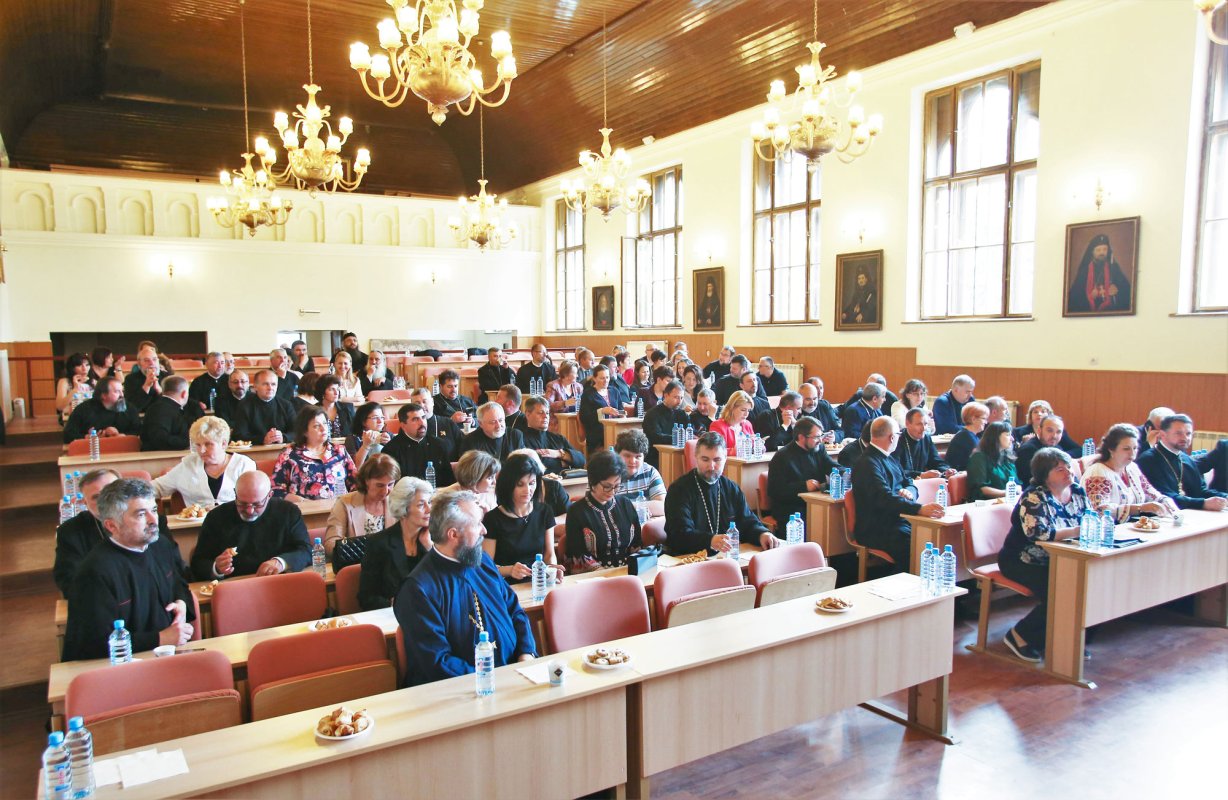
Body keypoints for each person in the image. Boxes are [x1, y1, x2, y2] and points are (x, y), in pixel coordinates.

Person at [394, 488, 537, 686]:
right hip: (461, 694)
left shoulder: (482, 561)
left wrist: (526, 654)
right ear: (453, 534)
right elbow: (437, 663)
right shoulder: (418, 590)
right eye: (478, 524)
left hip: (515, 677)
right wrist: (493, 680)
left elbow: (515, 610)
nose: (484, 531)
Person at [61, 478, 195, 661]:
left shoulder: (161, 546)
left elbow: (180, 583)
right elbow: (92, 642)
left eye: (154, 510)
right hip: (116, 669)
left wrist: (181, 603)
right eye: (141, 514)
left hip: (166, 655)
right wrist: (160, 638)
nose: (153, 520)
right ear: (111, 525)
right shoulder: (95, 571)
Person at [997, 448, 1091, 662]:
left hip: (1064, 557)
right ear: (1044, 475)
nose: (1068, 472)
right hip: (1023, 559)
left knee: (1084, 585)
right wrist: (1077, 531)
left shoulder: (1077, 491)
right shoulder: (1034, 497)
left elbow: (1090, 519)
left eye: (1068, 467)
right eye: (1060, 469)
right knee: (1062, 589)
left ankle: (1066, 638)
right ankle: (1020, 635)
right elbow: (1038, 533)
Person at [54, 470, 188, 597]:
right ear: (85, 503)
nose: (105, 501)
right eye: (96, 497)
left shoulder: (152, 522)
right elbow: (69, 582)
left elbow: (176, 569)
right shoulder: (70, 531)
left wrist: (180, 602)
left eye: (112, 493)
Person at [851, 417, 945, 569]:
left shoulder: (890, 458)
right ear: (892, 437)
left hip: (898, 519)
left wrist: (909, 492)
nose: (900, 437)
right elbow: (883, 498)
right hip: (878, 526)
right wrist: (919, 509)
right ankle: (909, 585)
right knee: (916, 547)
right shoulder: (867, 463)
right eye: (899, 433)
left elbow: (909, 482)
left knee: (930, 537)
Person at [663, 432, 779, 555]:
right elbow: (680, 534)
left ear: (725, 459)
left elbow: (748, 521)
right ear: (696, 457)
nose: (711, 466)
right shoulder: (679, 489)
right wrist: (710, 540)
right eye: (705, 459)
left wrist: (762, 534)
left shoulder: (731, 488)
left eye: (717, 460)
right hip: (687, 559)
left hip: (725, 557)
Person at [191, 471, 313, 579]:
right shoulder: (216, 517)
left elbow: (305, 550)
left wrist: (281, 562)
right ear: (235, 493)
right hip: (234, 587)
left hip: (277, 583)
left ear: (269, 495)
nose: (249, 510)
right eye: (242, 504)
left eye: (257, 504)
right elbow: (198, 562)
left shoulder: (288, 512)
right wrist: (216, 568)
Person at [481, 453, 563, 583]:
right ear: (508, 485)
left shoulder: (544, 511)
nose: (528, 490)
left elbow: (549, 554)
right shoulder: (493, 519)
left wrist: (552, 568)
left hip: (538, 581)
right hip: (506, 584)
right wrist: (509, 570)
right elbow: (486, 567)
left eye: (532, 483)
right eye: (520, 484)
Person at [358, 477, 434, 611]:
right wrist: (395, 604)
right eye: (421, 505)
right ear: (404, 508)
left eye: (429, 502)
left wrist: (430, 549)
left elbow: (444, 583)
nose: (429, 509)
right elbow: (366, 597)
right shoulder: (378, 544)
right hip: (393, 617)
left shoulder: (435, 540)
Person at [563, 450, 643, 572]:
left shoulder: (625, 504)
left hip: (627, 571)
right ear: (593, 482)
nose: (612, 492)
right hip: (594, 577)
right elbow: (578, 553)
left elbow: (636, 544)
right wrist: (604, 573)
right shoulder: (577, 511)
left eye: (617, 486)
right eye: (607, 486)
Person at [152, 416, 256, 508]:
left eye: (208, 444)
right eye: (198, 445)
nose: (201, 450)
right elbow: (158, 487)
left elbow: (254, 500)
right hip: (197, 528)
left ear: (223, 444)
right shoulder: (189, 464)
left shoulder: (243, 464)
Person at [1082, 424, 1177, 522]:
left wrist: (1164, 501)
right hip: (1104, 530)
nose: (1132, 453)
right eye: (1126, 449)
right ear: (1111, 449)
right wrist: (1140, 508)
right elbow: (1099, 510)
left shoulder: (1132, 468)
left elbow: (1151, 493)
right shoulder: (1098, 472)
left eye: (1135, 448)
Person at [1136, 414, 1228, 510]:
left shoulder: (1186, 459)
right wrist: (1202, 503)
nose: (1185, 438)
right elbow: (1164, 496)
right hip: (1161, 516)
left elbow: (1200, 490)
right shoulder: (1148, 460)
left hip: (1190, 513)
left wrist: (1224, 497)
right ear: (1163, 434)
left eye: (1188, 434)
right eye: (1178, 433)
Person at [271, 406, 358, 502]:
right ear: (304, 431)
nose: (323, 428)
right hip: (305, 511)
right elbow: (276, 490)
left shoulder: (339, 451)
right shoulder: (289, 454)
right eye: (316, 426)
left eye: (325, 423)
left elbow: (356, 484)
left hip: (338, 510)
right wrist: (301, 501)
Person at [322, 454, 400, 559]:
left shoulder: (398, 502)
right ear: (366, 481)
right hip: (358, 566)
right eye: (380, 485)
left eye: (390, 484)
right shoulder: (345, 503)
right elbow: (330, 545)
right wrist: (354, 549)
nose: (386, 491)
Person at [766, 417, 839, 522]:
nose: (820, 440)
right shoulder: (782, 456)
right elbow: (775, 490)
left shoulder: (819, 449)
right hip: (791, 508)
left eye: (821, 436)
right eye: (816, 437)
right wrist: (803, 486)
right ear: (801, 437)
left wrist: (847, 474)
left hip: (816, 501)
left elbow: (832, 466)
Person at [382, 402, 456, 487]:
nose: (422, 423)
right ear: (403, 425)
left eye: (423, 417)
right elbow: (391, 486)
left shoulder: (439, 444)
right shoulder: (391, 450)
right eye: (415, 419)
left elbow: (449, 481)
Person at [1067, 233, 1132, 314]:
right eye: (1098, 250)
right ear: (1092, 252)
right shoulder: (1085, 270)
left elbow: (1128, 292)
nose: (1102, 253)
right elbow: (1074, 297)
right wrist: (1088, 296)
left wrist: (1117, 290)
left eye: (1105, 249)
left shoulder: (1113, 267)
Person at [62, 376, 141, 443]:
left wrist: (122, 435)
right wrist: (88, 437)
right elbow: (68, 435)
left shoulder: (129, 408)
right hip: (91, 452)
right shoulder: (84, 409)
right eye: (117, 391)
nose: (122, 395)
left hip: (123, 449)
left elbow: (138, 430)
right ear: (103, 395)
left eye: (122, 391)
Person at [519, 395, 584, 475]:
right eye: (540, 413)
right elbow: (537, 465)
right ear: (528, 414)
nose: (545, 416)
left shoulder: (558, 438)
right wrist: (565, 462)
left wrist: (558, 454)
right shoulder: (521, 438)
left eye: (547, 413)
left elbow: (581, 460)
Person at [140, 375, 201, 451]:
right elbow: (160, 439)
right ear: (184, 394)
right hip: (158, 458)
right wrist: (191, 442)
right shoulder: (160, 409)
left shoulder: (162, 406)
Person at [234, 370, 296, 445]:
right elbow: (239, 435)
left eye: (273, 384)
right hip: (255, 452)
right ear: (255, 387)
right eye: (265, 384)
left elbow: (297, 431)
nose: (270, 388)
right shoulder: (245, 406)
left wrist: (283, 437)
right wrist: (263, 439)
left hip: (282, 450)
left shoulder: (286, 405)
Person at [613, 430, 667, 515]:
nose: (632, 461)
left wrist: (627, 507)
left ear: (644, 457)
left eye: (638, 457)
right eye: (627, 456)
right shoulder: (607, 473)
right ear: (617, 455)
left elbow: (663, 507)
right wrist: (642, 508)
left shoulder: (650, 472)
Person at [892, 407, 955, 480]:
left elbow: (935, 461)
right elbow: (895, 470)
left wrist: (946, 470)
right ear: (907, 424)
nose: (923, 428)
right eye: (919, 424)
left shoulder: (926, 438)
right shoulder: (897, 441)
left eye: (925, 424)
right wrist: (921, 475)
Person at [642, 380, 690, 468]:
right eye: (676, 397)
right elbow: (655, 437)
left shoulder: (682, 414)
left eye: (681, 398)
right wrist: (678, 438)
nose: (679, 401)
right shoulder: (652, 414)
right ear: (666, 395)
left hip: (681, 455)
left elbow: (689, 434)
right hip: (656, 457)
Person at [967, 421, 1018, 500]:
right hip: (985, 503)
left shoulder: (1007, 457)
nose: (1012, 439)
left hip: (1007, 500)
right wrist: (1008, 493)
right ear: (995, 437)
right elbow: (982, 489)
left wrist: (1018, 489)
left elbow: (1016, 483)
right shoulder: (979, 457)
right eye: (1008, 435)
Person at [458, 402, 526, 462]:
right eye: (492, 422)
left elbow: (523, 463)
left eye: (501, 420)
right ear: (480, 423)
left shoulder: (515, 436)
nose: (498, 426)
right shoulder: (470, 441)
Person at [579, 365, 623, 452]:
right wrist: (602, 411)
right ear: (594, 379)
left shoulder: (614, 391)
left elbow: (620, 409)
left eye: (607, 377)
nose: (606, 380)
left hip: (615, 430)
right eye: (602, 378)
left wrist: (622, 414)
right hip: (597, 433)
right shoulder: (588, 394)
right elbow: (584, 417)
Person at [409, 387, 462, 461]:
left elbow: (463, 447)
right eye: (417, 403)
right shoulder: (408, 426)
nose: (421, 406)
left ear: (432, 402)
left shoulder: (448, 423)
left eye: (425, 402)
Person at [1011, 400, 1079, 454]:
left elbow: (1078, 450)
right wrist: (1022, 444)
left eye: (1043, 412)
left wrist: (1062, 456)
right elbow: (1012, 452)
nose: (1039, 414)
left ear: (1049, 414)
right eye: (1035, 412)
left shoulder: (1058, 430)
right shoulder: (1017, 431)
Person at [346, 401, 393, 469]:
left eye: (382, 417)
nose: (380, 421)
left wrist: (390, 445)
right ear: (363, 421)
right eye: (375, 418)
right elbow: (355, 467)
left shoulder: (388, 435)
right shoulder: (353, 439)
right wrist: (365, 446)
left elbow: (396, 463)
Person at [122, 345, 168, 414]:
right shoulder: (130, 379)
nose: (152, 363)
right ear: (139, 364)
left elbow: (170, 405)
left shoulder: (166, 377)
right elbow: (132, 408)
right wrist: (146, 386)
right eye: (147, 360)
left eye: (154, 359)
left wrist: (159, 390)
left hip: (163, 415)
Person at [945, 402, 989, 472]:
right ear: (973, 419)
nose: (986, 422)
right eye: (984, 419)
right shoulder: (965, 437)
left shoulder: (971, 435)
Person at [55, 352, 95, 420]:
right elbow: (59, 406)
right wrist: (75, 389)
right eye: (80, 365)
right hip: (70, 418)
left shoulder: (94, 382)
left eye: (87, 365)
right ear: (72, 368)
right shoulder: (64, 382)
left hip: (91, 417)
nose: (84, 368)